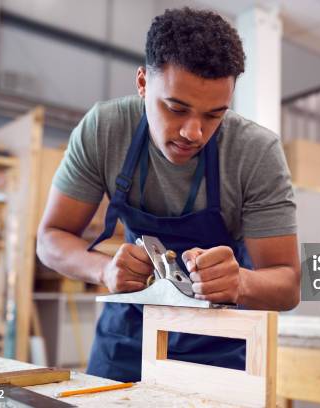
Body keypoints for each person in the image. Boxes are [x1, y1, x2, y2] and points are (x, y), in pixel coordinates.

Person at [37, 7, 300, 382]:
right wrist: (104, 269)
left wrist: (241, 282)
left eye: (214, 115)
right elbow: (50, 239)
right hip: (127, 337)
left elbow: (288, 283)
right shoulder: (105, 130)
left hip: (220, 344)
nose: (193, 132)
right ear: (143, 83)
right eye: (176, 108)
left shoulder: (255, 153)